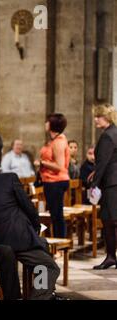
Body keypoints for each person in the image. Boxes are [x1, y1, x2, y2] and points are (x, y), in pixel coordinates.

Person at [0, 154, 61, 300]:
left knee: (43, 246)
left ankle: (48, 295)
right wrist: (36, 227)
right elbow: (27, 206)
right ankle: (40, 296)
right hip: (19, 240)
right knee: (46, 266)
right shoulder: (9, 178)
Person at [90, 104, 117, 269]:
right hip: (115, 181)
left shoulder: (107, 136)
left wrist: (94, 185)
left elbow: (103, 163)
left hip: (111, 184)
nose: (95, 119)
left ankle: (110, 256)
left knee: (108, 220)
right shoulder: (115, 131)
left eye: (97, 116)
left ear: (105, 118)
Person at [37, 113, 70, 238]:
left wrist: (42, 162)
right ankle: (58, 243)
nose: (45, 124)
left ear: (52, 125)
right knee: (55, 214)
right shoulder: (56, 140)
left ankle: (60, 245)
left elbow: (59, 166)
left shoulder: (58, 142)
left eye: (47, 122)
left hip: (55, 181)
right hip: (52, 181)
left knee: (57, 215)